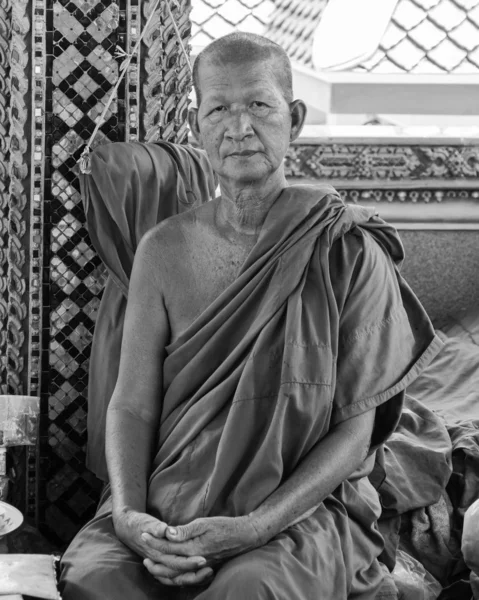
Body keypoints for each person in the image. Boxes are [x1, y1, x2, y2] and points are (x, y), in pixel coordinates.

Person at [59, 32, 443, 599]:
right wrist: (128, 515)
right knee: (97, 580)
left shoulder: (345, 247)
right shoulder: (162, 251)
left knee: (249, 589)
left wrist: (254, 526)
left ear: (294, 118)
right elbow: (132, 404)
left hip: (295, 512)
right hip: (171, 499)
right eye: (218, 109)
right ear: (196, 127)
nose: (239, 127)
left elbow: (356, 427)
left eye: (259, 106)